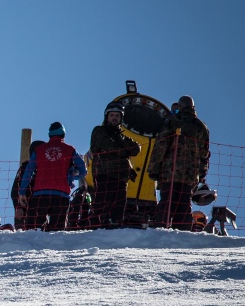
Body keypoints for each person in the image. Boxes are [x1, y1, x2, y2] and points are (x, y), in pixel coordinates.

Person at [149, 95, 210, 228]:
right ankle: (182, 233)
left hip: (169, 171)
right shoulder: (201, 127)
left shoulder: (173, 121)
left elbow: (161, 146)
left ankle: (160, 229)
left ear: (180, 107)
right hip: (190, 174)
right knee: (184, 203)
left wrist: (154, 168)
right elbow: (204, 154)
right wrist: (201, 174)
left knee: (167, 202)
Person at [17, 123, 86, 232]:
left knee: (33, 231)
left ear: (49, 135)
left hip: (40, 195)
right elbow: (83, 170)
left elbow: (28, 171)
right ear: (63, 134)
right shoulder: (69, 149)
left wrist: (22, 192)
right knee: (56, 232)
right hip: (61, 195)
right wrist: (72, 176)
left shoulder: (39, 150)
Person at [87, 103, 141, 228]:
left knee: (119, 207)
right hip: (104, 173)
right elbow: (110, 146)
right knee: (102, 204)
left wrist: (122, 149)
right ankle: (95, 229)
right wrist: (123, 150)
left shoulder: (121, 136)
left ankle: (115, 231)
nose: (114, 118)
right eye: (112, 115)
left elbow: (136, 149)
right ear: (107, 117)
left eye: (117, 115)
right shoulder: (99, 130)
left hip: (121, 176)